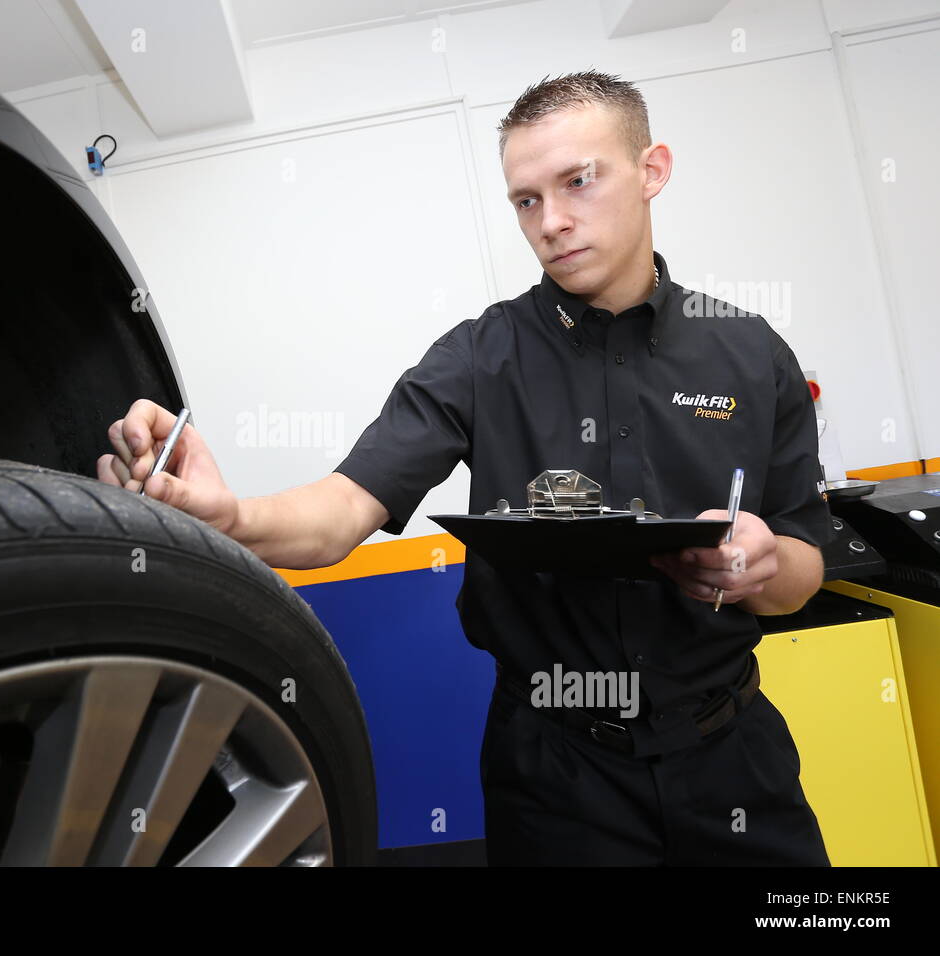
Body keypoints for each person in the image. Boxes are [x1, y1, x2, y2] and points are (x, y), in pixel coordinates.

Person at [97, 71, 833, 866]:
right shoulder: (480, 358)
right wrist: (229, 517)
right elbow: (345, 508)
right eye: (525, 200)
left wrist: (763, 563)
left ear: (652, 170)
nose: (551, 222)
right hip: (559, 779)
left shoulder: (752, 352)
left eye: (578, 182)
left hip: (735, 763)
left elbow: (805, 568)